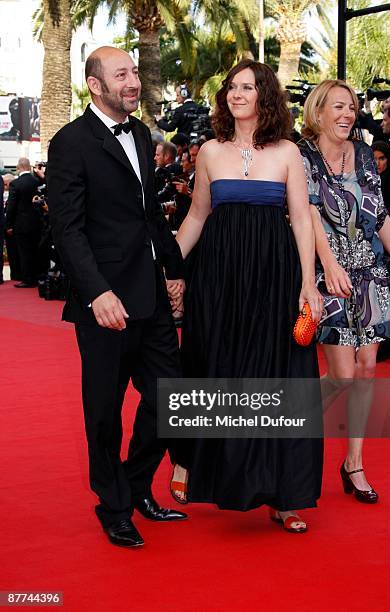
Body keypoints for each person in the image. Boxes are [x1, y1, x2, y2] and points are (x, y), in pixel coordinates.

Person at [169, 59, 324, 533]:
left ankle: (285, 493)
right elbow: (196, 216)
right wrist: (165, 267)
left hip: (274, 277)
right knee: (216, 364)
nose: (237, 94)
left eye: (248, 87)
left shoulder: (288, 153)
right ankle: (200, 467)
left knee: (277, 375)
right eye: (232, 87)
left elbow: (301, 219)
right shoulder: (211, 151)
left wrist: (307, 281)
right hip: (219, 277)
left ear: (265, 96)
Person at [47, 46, 187, 549]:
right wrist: (97, 292)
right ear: (95, 85)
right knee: (104, 411)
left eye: (134, 72)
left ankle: (134, 483)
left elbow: (149, 215)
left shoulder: (144, 132)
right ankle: (114, 505)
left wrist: (174, 270)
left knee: (171, 398)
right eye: (121, 74)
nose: (133, 81)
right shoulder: (71, 143)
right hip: (104, 304)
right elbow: (67, 229)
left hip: (149, 295)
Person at [298, 79, 390, 504]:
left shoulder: (363, 153)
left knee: (366, 371)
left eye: (352, 107)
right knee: (342, 374)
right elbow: (307, 213)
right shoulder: (303, 154)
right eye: (338, 106)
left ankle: (354, 463)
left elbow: (377, 213)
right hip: (331, 275)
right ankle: (294, 423)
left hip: (370, 273)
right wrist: (329, 266)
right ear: (319, 111)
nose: (347, 114)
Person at [5, 158, 41, 287]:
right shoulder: (37, 181)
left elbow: (11, 206)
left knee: (24, 252)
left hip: (21, 223)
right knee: (36, 250)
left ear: (18, 167)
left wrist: (8, 224)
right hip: (37, 222)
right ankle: (38, 276)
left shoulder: (16, 184)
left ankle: (27, 279)